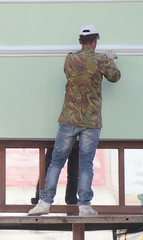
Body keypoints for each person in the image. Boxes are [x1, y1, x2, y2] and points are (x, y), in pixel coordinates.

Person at [28, 24, 121, 216]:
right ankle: (84, 205)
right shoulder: (101, 60)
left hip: (69, 118)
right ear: (96, 41)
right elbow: (115, 77)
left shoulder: (70, 59)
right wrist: (111, 61)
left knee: (56, 162)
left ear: (80, 41)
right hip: (91, 121)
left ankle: (45, 202)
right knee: (86, 164)